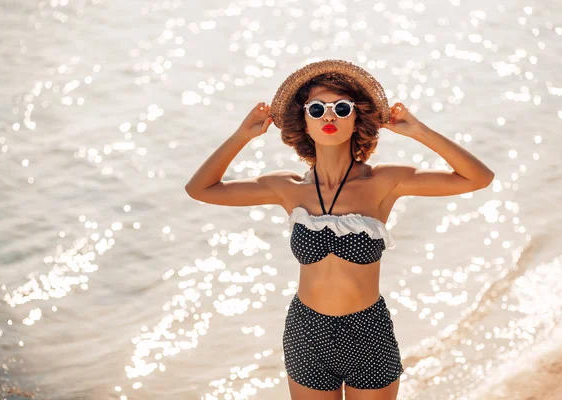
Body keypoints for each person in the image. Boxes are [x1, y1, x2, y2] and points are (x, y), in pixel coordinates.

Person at [185, 59, 495, 400]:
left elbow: (478, 178)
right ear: (303, 121)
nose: (328, 117)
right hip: (307, 332)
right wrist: (242, 136)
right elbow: (201, 189)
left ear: (357, 117)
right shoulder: (286, 187)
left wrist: (419, 131)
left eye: (341, 108)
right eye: (316, 109)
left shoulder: (384, 182)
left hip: (369, 333)